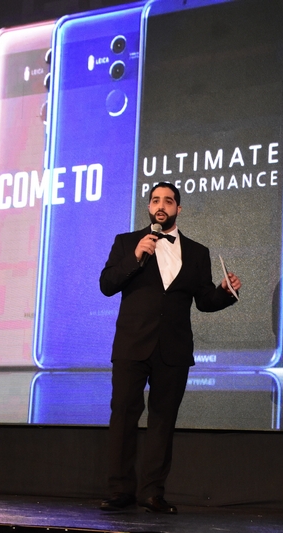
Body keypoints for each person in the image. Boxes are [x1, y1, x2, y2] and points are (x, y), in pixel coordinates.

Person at [98, 182, 241, 514]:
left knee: (162, 422)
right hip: (132, 346)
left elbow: (204, 301)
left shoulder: (197, 252)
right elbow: (107, 284)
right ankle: (120, 490)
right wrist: (135, 256)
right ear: (149, 207)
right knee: (123, 417)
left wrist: (224, 292)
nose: (161, 205)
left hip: (173, 350)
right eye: (155, 200)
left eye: (168, 201)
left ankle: (152, 493)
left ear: (178, 208)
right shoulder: (126, 242)